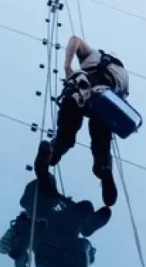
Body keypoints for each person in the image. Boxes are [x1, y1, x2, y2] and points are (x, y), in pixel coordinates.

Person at [34, 35, 129, 207]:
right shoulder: (124, 75)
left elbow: (75, 39)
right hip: (106, 99)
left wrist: (68, 66)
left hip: (83, 87)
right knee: (101, 141)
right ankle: (104, 169)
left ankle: (51, 154)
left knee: (66, 134)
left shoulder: (95, 55)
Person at [0, 175, 112, 267]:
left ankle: (88, 223)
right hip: (55, 229)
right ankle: (89, 223)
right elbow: (25, 235)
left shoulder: (28, 220)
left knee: (80, 213)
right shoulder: (27, 230)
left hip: (55, 222)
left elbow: (23, 236)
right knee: (82, 213)